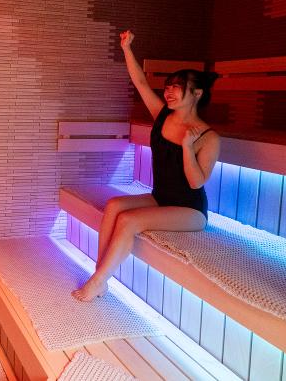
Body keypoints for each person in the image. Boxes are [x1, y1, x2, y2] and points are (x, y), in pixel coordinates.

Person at [72, 30, 220, 302]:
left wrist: (187, 147)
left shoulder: (209, 137)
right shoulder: (162, 116)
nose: (168, 91)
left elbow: (196, 182)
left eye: (177, 86)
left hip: (189, 210)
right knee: (114, 205)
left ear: (197, 93)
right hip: (160, 197)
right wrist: (126, 48)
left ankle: (98, 281)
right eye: (168, 86)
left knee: (129, 220)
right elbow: (140, 82)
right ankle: (99, 274)